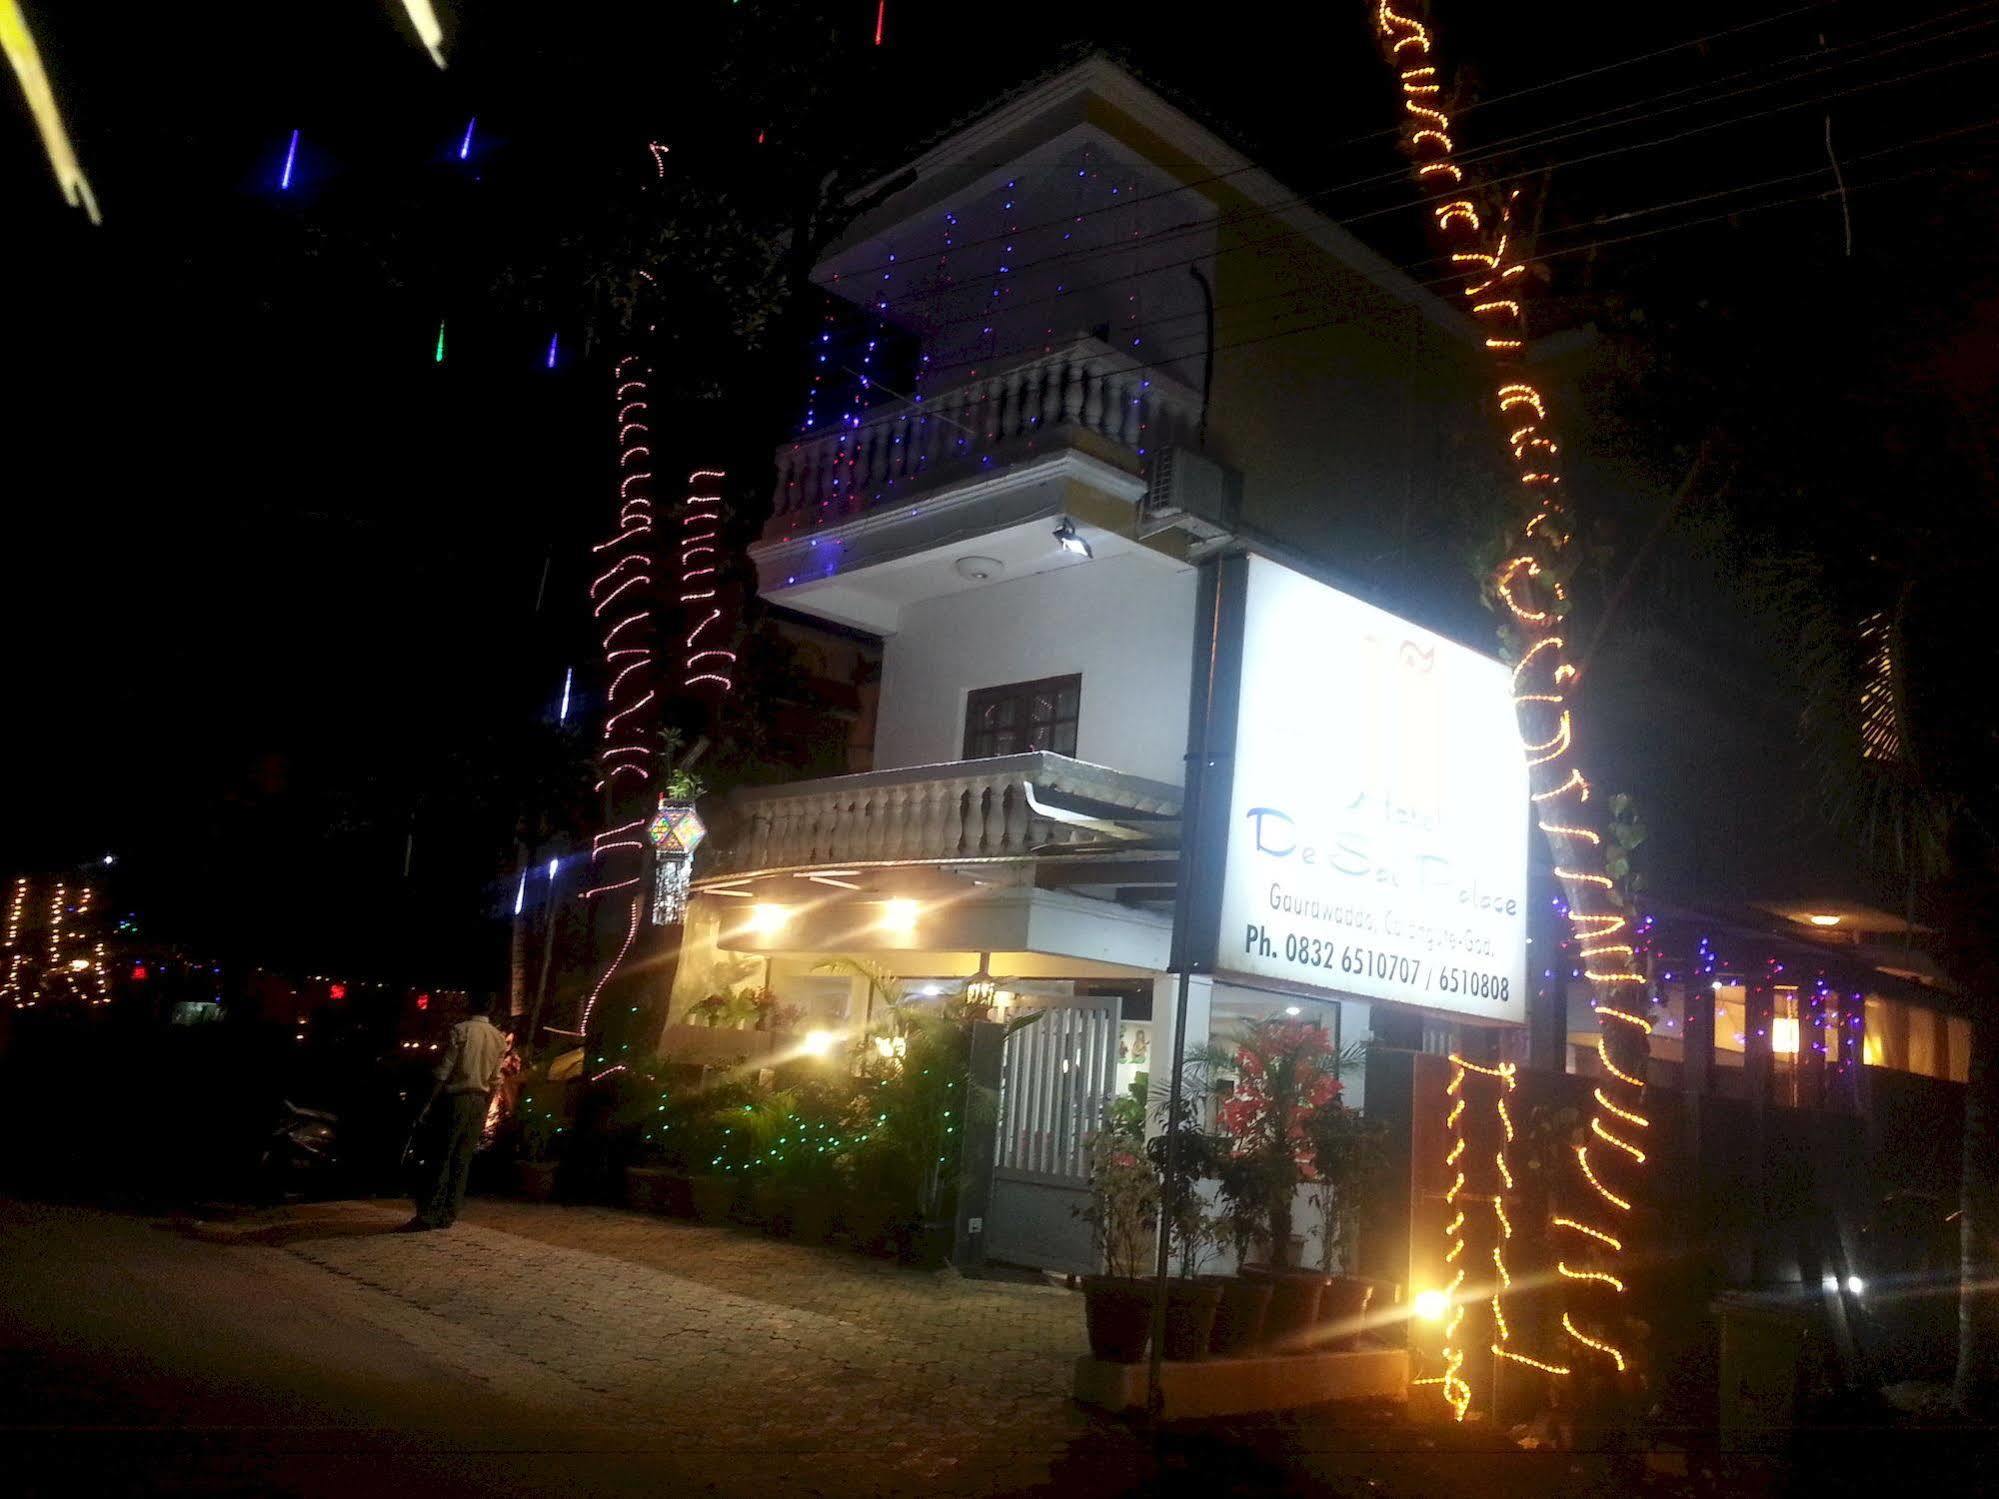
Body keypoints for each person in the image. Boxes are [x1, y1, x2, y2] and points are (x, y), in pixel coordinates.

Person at [403, 993, 507, 1231]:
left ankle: (428, 1214)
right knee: (463, 1159)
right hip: (479, 1101)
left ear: (470, 1006)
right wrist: (485, 1107)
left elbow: (444, 1070)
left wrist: (428, 1102)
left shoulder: (461, 1030)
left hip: (456, 1098)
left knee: (441, 1156)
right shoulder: (497, 1038)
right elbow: (495, 1079)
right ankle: (449, 1214)